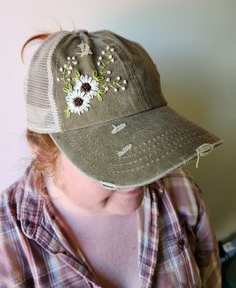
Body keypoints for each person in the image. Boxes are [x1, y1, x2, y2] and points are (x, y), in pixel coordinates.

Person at [0, 28, 223, 288]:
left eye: (147, 141)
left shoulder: (179, 192)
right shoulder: (8, 249)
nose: (138, 179)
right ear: (42, 153)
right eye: (108, 160)